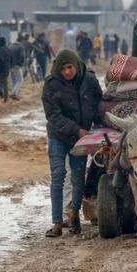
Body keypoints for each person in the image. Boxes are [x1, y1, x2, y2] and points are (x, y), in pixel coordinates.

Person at [42, 49, 102, 237]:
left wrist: (100, 129)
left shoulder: (90, 80)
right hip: (58, 137)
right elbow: (53, 116)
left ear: (76, 65)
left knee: (77, 179)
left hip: (81, 138)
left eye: (70, 67)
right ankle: (57, 223)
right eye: (63, 69)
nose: (67, 72)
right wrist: (77, 129)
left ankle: (74, 216)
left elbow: (98, 104)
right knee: (58, 176)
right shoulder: (51, 85)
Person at [9, 36, 26, 100]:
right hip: (16, 66)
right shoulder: (20, 47)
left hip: (10, 66)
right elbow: (22, 56)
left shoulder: (11, 46)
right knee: (20, 80)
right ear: (22, 41)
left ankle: (14, 94)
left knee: (14, 81)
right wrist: (20, 64)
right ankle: (13, 93)